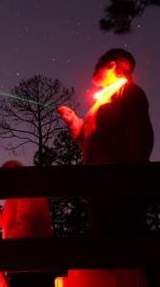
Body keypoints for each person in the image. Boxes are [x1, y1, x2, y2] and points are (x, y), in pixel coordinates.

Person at [57, 48, 154, 234]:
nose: (94, 68)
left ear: (111, 65)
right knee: (103, 245)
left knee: (125, 243)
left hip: (121, 186)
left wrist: (133, 177)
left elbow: (141, 136)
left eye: (98, 64)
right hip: (98, 184)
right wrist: (75, 123)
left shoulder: (130, 93)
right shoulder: (102, 100)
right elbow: (91, 142)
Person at [0, 160, 55, 287]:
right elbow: (15, 221)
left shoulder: (23, 190)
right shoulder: (21, 192)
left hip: (25, 258)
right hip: (32, 258)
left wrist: (10, 250)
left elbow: (24, 224)